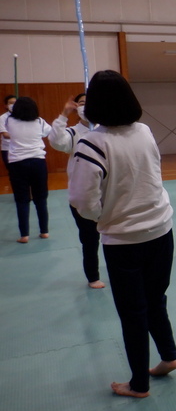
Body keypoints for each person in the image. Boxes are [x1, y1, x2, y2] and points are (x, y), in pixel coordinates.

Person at [69, 70, 176, 398]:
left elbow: (82, 201)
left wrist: (104, 217)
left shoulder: (92, 142)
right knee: (155, 300)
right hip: (161, 229)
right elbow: (153, 173)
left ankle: (139, 384)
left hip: (124, 240)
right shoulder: (143, 131)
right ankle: (169, 356)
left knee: (133, 312)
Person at [48, 93, 104, 288]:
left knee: (114, 236)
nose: (85, 107)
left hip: (107, 193)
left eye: (89, 103)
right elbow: (56, 141)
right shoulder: (73, 133)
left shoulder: (106, 130)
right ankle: (93, 276)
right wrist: (64, 114)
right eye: (81, 103)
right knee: (90, 240)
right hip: (83, 195)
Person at [1, 97, 51, 243]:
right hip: (38, 161)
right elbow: (49, 132)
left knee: (21, 200)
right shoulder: (39, 121)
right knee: (41, 199)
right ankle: (44, 231)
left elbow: (6, 133)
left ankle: (24, 235)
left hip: (17, 163)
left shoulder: (9, 120)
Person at [0, 94, 17, 170]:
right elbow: (5, 135)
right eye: (11, 103)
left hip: (21, 148)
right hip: (8, 149)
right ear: (6, 106)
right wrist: (21, 137)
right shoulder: (2, 118)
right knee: (12, 171)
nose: (13, 105)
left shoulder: (22, 116)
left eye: (15, 103)